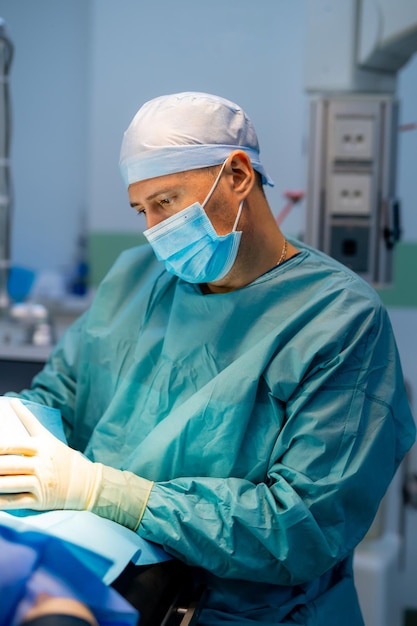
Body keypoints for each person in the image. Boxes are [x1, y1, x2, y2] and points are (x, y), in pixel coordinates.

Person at [0, 91, 415, 625]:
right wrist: (17, 425)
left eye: (167, 202)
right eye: (142, 210)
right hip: (118, 583)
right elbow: (62, 395)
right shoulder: (135, 278)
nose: (154, 229)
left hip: (252, 612)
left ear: (238, 175)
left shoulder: (338, 319)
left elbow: (301, 526)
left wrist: (105, 491)